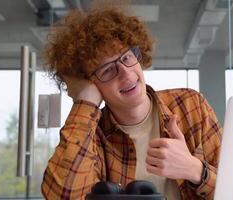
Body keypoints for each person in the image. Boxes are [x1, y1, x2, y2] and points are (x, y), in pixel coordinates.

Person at [41, 2, 222, 200]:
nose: (126, 74)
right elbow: (62, 196)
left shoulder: (190, 105)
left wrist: (194, 170)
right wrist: (85, 102)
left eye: (126, 57)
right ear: (90, 84)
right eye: (108, 70)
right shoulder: (92, 137)